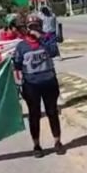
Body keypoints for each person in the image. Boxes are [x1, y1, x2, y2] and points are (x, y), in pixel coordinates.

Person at [13, 14, 65, 158]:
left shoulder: (47, 39)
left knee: (52, 112)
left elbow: (54, 52)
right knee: (34, 115)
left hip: (49, 82)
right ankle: (36, 145)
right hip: (31, 86)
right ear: (27, 29)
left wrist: (42, 38)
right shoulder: (21, 46)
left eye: (36, 26)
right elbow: (16, 65)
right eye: (31, 27)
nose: (34, 29)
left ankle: (58, 142)